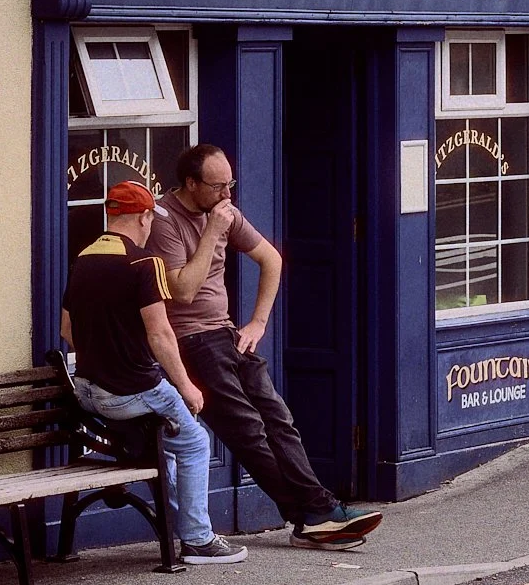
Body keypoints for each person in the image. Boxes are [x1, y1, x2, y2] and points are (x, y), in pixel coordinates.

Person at [150, 144, 383, 549]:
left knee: (278, 417)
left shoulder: (224, 213)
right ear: (191, 183)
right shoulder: (164, 220)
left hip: (226, 334)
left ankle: (317, 512)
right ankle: (313, 514)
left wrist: (258, 321)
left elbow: (272, 259)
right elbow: (183, 291)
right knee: (247, 430)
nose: (227, 196)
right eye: (218, 187)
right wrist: (212, 233)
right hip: (189, 341)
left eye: (231, 185)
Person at [61, 180, 247, 565]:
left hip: (90, 391)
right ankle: (197, 539)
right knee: (196, 443)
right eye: (149, 219)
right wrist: (188, 387)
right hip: (134, 389)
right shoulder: (145, 264)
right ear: (144, 217)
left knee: (174, 448)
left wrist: (104, 353)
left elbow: (67, 332)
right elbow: (161, 335)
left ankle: (186, 527)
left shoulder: (83, 260)